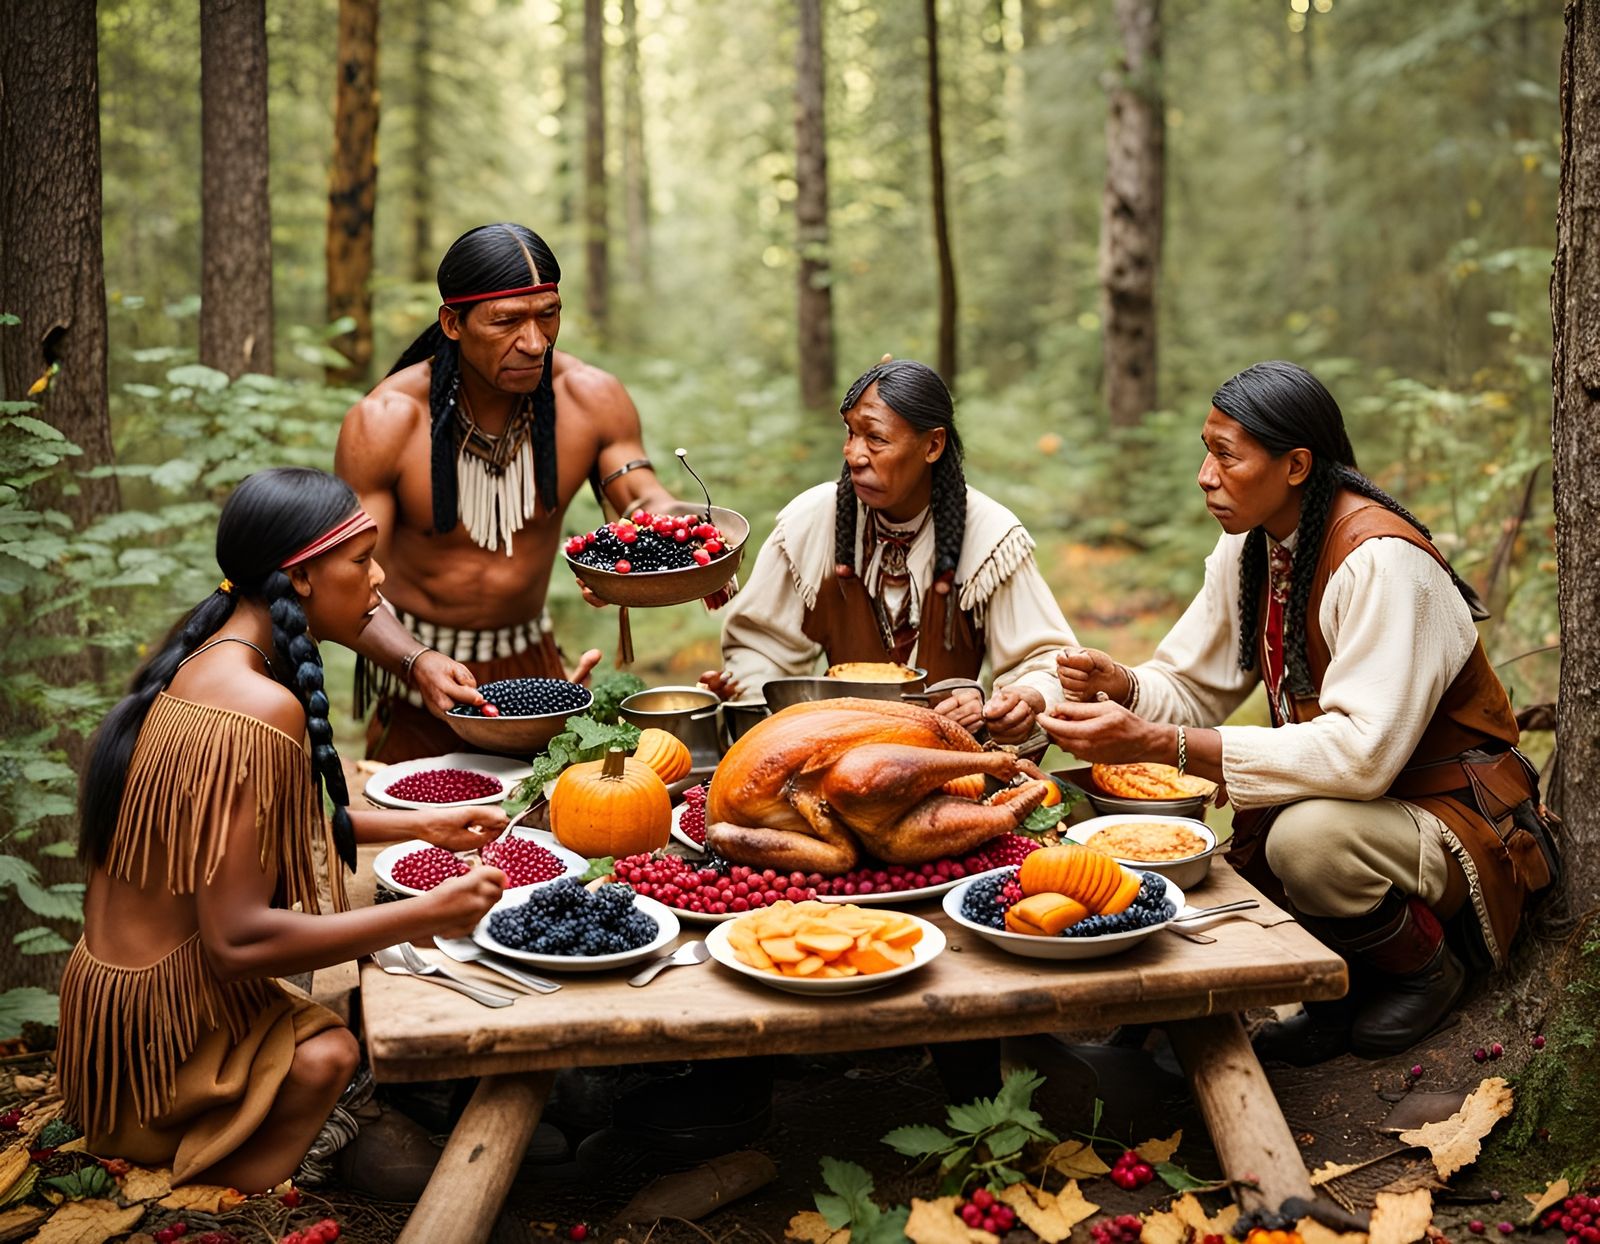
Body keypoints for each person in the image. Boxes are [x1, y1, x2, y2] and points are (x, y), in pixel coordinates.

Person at [1040, 360, 1559, 1062]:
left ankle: (1426, 969)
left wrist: (1164, 742)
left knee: (1304, 842)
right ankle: (1338, 992)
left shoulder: (1380, 561)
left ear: (1296, 466)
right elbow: (1192, 684)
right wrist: (1125, 687)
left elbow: (1362, 756)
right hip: (1369, 812)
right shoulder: (1253, 549)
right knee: (1235, 838)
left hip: (1456, 818)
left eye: (1226, 454)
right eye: (1206, 448)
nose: (1204, 473)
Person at [58, 467, 507, 1191]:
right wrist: (430, 912)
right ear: (300, 577)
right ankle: (227, 1183)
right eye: (361, 561)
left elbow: (272, 824)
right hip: (157, 1053)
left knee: (330, 995)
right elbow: (237, 943)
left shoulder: (207, 664)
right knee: (332, 1050)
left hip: (110, 1023)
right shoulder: (260, 707)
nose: (379, 580)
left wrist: (427, 822)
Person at [337, 222, 684, 762]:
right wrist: (415, 661)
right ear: (453, 322)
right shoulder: (387, 421)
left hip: (537, 676)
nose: (535, 341)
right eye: (507, 321)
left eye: (549, 314)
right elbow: (346, 578)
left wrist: (693, 546)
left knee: (551, 835)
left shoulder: (589, 398)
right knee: (417, 836)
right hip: (415, 686)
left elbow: (644, 497)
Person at [701, 358, 1076, 750]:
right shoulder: (812, 521)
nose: (854, 455)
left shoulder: (990, 536)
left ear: (932, 445)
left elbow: (1047, 662)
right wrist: (750, 700)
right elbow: (763, 649)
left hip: (955, 765)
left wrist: (1017, 703)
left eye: (876, 439)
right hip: (832, 757)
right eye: (850, 433)